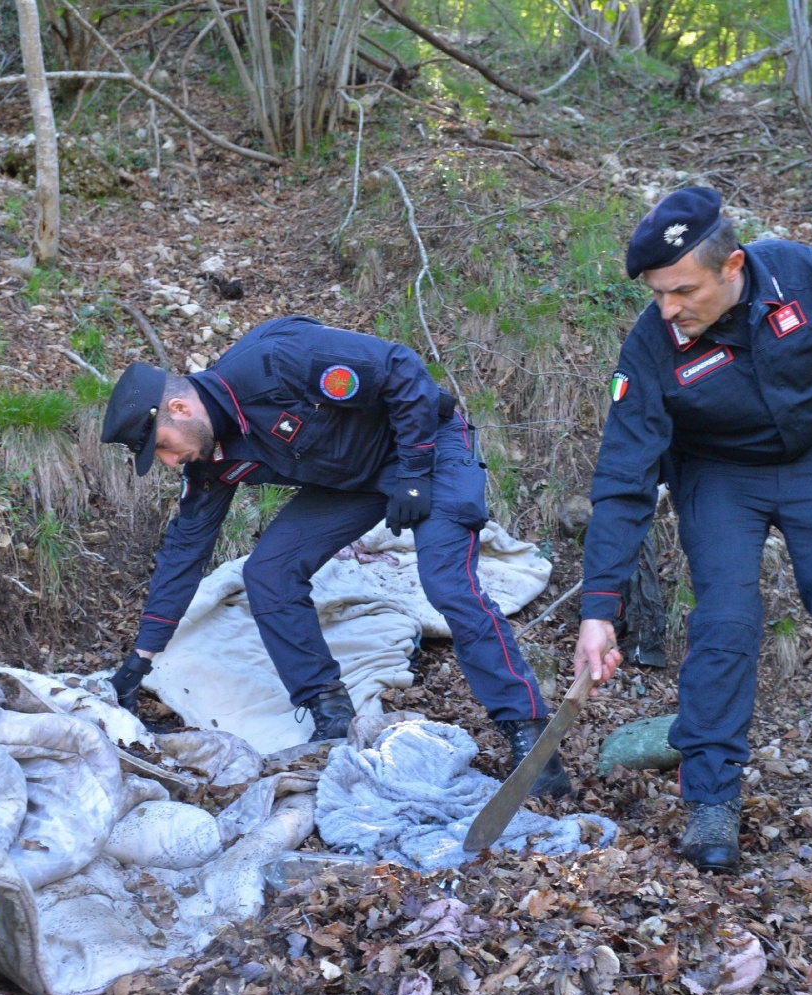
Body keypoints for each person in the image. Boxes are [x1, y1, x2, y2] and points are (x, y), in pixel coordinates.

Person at [572, 188, 812, 873]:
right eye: (656, 293)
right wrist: (600, 610)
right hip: (717, 478)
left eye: (681, 291)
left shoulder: (803, 276)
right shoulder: (652, 346)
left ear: (733, 265)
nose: (667, 309)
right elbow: (623, 482)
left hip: (811, 461)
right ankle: (712, 797)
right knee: (727, 622)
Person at [100, 316, 570, 797]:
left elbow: (401, 369)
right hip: (355, 482)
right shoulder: (211, 459)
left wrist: (411, 472)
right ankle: (331, 720)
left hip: (428, 450)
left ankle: (532, 740)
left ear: (178, 408)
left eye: (162, 446)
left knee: (446, 583)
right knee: (269, 572)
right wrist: (142, 658)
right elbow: (184, 552)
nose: (170, 461)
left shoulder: (273, 362)